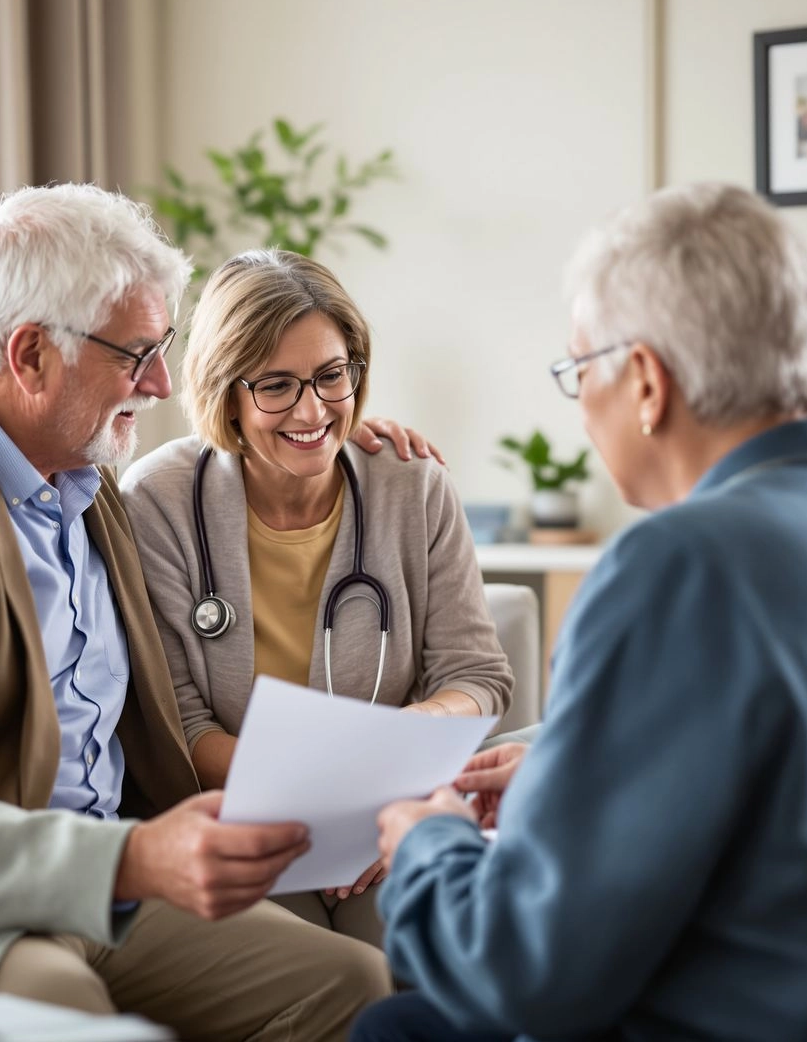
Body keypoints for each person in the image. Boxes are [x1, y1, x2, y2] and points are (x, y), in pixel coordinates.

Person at [0, 183, 396, 1038]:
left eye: (164, 346)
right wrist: (132, 857)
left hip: (95, 883)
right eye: (136, 353)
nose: (158, 383)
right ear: (31, 354)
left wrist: (330, 433)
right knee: (56, 1007)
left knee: (349, 983)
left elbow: (221, 464)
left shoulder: (84, 473)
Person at [352, 182, 807, 1041]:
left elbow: (524, 972)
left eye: (578, 368)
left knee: (396, 1029)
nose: (582, 400)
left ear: (645, 382)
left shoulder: (681, 562)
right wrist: (568, 767)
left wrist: (426, 845)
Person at [119, 249, 514, 947]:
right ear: (225, 391)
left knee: (431, 955)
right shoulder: (158, 500)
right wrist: (333, 796)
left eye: (332, 376)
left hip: (388, 820)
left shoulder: (412, 485)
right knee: (330, 971)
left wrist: (390, 770)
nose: (312, 409)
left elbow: (476, 677)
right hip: (245, 822)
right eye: (276, 385)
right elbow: (178, 723)